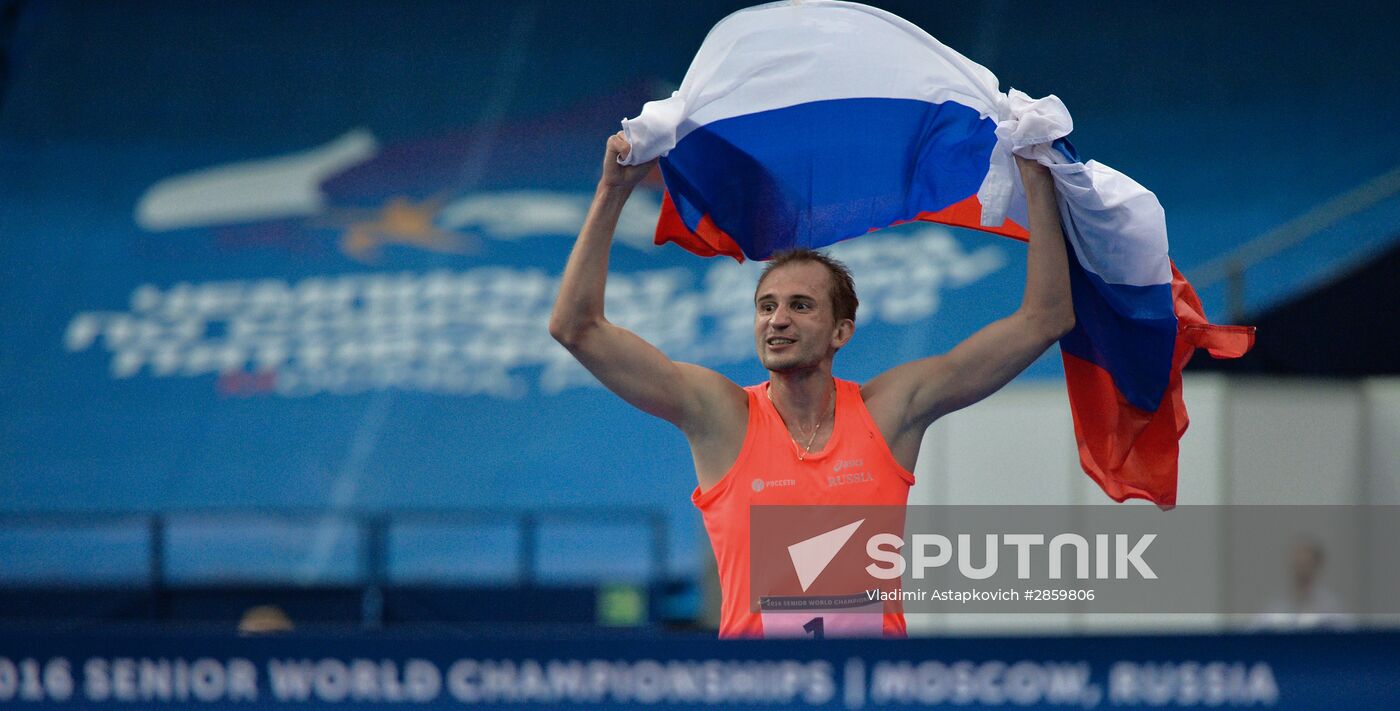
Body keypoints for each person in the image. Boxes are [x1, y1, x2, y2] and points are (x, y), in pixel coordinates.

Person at [549, 132, 1074, 638]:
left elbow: (1043, 320)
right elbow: (577, 328)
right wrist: (612, 191)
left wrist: (1035, 177)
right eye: (766, 306)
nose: (777, 320)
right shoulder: (722, 417)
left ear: (841, 331)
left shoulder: (889, 413)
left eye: (800, 306)